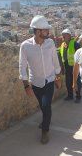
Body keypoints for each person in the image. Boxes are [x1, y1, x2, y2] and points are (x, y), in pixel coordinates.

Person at [19, 15, 61, 144]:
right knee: (43, 107)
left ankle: (45, 131)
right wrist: (26, 86)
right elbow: (22, 66)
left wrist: (58, 76)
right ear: (37, 31)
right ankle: (45, 120)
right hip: (35, 83)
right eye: (45, 30)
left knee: (46, 105)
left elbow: (55, 60)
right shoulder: (25, 46)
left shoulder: (50, 43)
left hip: (49, 80)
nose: (48, 32)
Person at [59, 28, 82, 103]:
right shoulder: (62, 45)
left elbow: (80, 54)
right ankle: (70, 95)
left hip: (75, 67)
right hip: (67, 67)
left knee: (76, 82)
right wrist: (62, 67)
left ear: (69, 36)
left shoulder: (75, 44)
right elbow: (62, 56)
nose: (63, 37)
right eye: (62, 35)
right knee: (68, 82)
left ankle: (78, 96)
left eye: (64, 35)